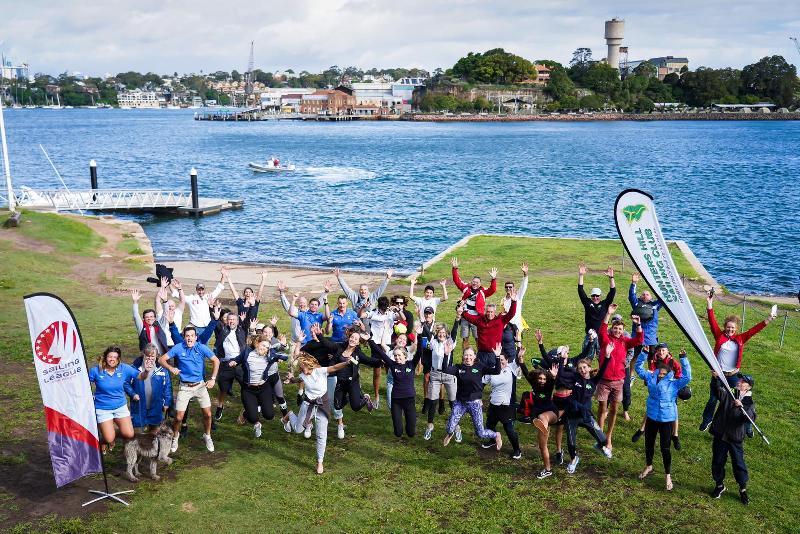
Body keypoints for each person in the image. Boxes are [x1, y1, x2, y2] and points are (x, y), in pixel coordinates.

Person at [699, 292, 774, 432]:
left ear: (736, 329)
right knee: (713, 400)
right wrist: (709, 304)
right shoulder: (719, 335)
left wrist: (769, 319)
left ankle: (747, 426)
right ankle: (707, 420)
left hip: (733, 375)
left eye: (733, 328)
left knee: (740, 401)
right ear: (725, 327)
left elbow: (754, 330)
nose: (730, 329)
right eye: (728, 327)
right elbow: (712, 321)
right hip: (718, 375)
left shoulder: (740, 339)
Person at [281, 347, 351, 474]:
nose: (303, 371)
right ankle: (289, 415)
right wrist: (292, 380)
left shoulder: (319, 371)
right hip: (308, 403)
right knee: (298, 429)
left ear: (310, 365)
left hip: (322, 404)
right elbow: (300, 380)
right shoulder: (303, 374)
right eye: (301, 369)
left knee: (321, 434)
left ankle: (320, 462)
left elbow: (334, 368)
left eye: (305, 368)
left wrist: (346, 363)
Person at [335, 267, 393, 408]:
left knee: (375, 358)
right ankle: (355, 383)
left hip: (370, 333)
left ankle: (387, 379)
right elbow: (346, 289)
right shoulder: (355, 298)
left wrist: (387, 278)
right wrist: (339, 278)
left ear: (368, 292)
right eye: (361, 290)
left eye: (365, 291)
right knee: (355, 358)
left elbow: (380, 289)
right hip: (358, 333)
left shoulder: (373, 298)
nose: (363, 292)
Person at [635, 346, 691, 491]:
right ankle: (649, 466)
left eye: (664, 373)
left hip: (666, 420)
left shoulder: (674, 383)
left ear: (669, 374)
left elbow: (687, 377)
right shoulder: (651, 376)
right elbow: (638, 368)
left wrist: (684, 360)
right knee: (649, 444)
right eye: (660, 372)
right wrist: (643, 353)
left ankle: (668, 475)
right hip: (652, 417)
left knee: (665, 448)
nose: (661, 375)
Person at [159, 325, 220, 453]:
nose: (190, 338)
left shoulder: (201, 347)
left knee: (208, 414)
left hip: (200, 386)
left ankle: (207, 436)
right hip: (185, 387)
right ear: (184, 337)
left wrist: (213, 378)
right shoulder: (178, 347)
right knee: (179, 418)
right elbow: (161, 359)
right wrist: (171, 368)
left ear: (196, 337)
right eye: (187, 336)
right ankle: (175, 437)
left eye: (192, 336)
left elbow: (216, 360)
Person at [597, 303, 643, 451]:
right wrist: (608, 314)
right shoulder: (605, 339)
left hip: (618, 381)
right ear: (612, 329)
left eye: (620, 329)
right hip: (604, 381)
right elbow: (602, 330)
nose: (617, 331)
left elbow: (638, 341)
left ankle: (608, 437)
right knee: (602, 408)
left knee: (614, 410)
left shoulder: (625, 342)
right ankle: (600, 436)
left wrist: (638, 325)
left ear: (623, 331)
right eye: (615, 328)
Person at [441, 345, 502, 450]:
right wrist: (446, 355)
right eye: (466, 355)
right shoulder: (458, 368)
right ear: (463, 356)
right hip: (460, 403)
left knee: (481, 433)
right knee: (450, 427)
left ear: (474, 356)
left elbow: (497, 371)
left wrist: (497, 357)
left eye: (470, 355)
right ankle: (450, 434)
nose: (468, 357)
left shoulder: (479, 367)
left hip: (475, 403)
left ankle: (496, 435)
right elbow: (445, 370)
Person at [563, 346, 614, 474]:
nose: (582, 370)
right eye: (580, 368)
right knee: (571, 442)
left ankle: (598, 446)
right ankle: (574, 459)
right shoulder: (575, 378)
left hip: (585, 415)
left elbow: (602, 371)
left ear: (589, 368)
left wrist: (607, 356)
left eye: (585, 367)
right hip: (572, 415)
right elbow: (565, 371)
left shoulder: (593, 381)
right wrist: (563, 360)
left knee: (604, 440)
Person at [89, 346, 150, 451]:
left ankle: (111, 431)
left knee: (129, 434)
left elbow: (141, 377)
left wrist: (147, 371)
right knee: (108, 439)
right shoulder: (95, 371)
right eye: (109, 357)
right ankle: (104, 438)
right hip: (103, 408)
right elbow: (83, 384)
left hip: (120, 407)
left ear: (118, 360)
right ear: (105, 357)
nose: (112, 359)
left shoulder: (124, 368)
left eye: (115, 357)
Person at [709, 374, 756, 505]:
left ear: (748, 387)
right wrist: (715, 379)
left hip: (735, 438)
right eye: (740, 380)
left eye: (744, 381)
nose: (740, 382)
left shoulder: (749, 403)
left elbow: (750, 418)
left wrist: (741, 407)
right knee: (718, 461)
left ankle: (743, 489)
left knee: (738, 464)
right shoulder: (729, 393)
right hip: (720, 435)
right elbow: (717, 391)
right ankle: (719, 486)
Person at [232, 333, 288, 437]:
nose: (265, 349)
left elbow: (285, 356)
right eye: (263, 345)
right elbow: (237, 359)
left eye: (267, 347)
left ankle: (250, 409)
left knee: (269, 415)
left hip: (263, 388)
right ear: (257, 343)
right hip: (248, 389)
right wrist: (233, 362)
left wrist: (279, 357)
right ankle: (250, 416)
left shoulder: (269, 355)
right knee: (252, 418)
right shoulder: (247, 353)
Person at [632, 344, 684, 448]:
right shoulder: (654, 361)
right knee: (651, 409)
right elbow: (651, 372)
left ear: (668, 351)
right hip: (657, 389)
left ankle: (675, 435)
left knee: (674, 410)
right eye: (659, 350)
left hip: (669, 391)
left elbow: (679, 373)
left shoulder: (673, 362)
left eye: (663, 350)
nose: (661, 352)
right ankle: (642, 429)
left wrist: (674, 383)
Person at [372, 335, 423, 438]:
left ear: (405, 356)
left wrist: (420, 335)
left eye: (399, 355)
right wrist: (370, 340)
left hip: (409, 399)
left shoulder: (411, 364)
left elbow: (419, 352)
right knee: (398, 433)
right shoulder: (393, 364)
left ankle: (409, 425)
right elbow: (380, 353)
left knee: (411, 433)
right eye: (395, 356)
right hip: (396, 400)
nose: (397, 358)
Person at [517, 350, 558, 476]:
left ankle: (544, 428)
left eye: (544, 379)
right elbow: (525, 371)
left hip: (551, 413)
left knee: (541, 417)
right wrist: (521, 359)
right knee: (542, 446)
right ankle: (547, 469)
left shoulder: (548, 386)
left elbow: (552, 381)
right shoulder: (534, 385)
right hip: (539, 418)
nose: (542, 381)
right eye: (540, 378)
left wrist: (553, 376)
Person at [481, 349, 524, 460]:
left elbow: (518, 362)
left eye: (502, 360)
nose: (500, 362)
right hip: (493, 404)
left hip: (506, 405)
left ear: (507, 360)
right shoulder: (491, 371)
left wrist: (519, 354)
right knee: (489, 425)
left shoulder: (511, 368)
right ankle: (492, 440)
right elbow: (481, 384)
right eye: (498, 360)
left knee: (509, 429)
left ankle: (517, 450)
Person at [422, 320, 460, 440]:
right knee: (433, 401)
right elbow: (428, 333)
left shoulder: (450, 342)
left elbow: (454, 332)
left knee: (453, 402)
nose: (442, 334)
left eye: (444, 333)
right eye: (439, 332)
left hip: (449, 375)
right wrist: (422, 321)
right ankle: (429, 426)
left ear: (447, 334)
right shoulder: (433, 342)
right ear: (437, 333)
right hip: (436, 374)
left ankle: (457, 427)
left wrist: (457, 319)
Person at [458, 291, 517, 367]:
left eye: (491, 312)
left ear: (494, 311)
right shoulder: (479, 320)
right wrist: (461, 307)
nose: (489, 314)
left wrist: (514, 302)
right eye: (488, 312)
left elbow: (511, 314)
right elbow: (467, 316)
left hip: (494, 353)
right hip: (481, 353)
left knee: (494, 374)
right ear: (485, 311)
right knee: (481, 374)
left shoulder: (501, 320)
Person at [450, 257, 497, 351]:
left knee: (478, 338)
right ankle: (466, 356)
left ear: (480, 284)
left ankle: (479, 356)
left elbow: (493, 289)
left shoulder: (483, 292)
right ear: (471, 282)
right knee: (465, 338)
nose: (475, 283)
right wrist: (455, 269)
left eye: (477, 282)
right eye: (473, 282)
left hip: (477, 318)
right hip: (465, 317)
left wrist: (493, 279)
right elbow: (457, 280)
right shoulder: (466, 288)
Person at [125, 343, 172, 434]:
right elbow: (126, 384)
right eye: (147, 356)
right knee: (137, 434)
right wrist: (132, 394)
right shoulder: (134, 368)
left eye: (152, 356)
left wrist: (166, 402)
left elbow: (167, 387)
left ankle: (151, 447)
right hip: (139, 406)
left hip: (156, 406)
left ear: (157, 356)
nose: (150, 359)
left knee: (154, 434)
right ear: (143, 355)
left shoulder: (162, 369)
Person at [212, 311, 248, 422]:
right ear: (227, 320)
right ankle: (220, 406)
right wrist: (214, 315)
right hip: (225, 362)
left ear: (237, 321)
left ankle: (247, 408)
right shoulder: (222, 330)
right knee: (223, 388)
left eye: (234, 319)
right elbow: (214, 324)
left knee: (246, 387)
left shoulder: (242, 330)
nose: (231, 321)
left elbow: (250, 315)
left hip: (239, 362)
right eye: (229, 319)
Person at [577, 263, 616, 357]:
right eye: (593, 296)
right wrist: (581, 275)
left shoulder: (604, 304)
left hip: (602, 336)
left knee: (602, 357)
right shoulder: (587, 303)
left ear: (600, 296)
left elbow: (612, 291)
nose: (595, 297)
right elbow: (580, 290)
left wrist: (611, 278)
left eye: (597, 296)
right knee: (586, 357)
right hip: (590, 335)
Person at [183, 268, 226, 340]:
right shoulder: (191, 298)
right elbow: (180, 296)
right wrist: (177, 288)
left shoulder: (208, 297)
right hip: (195, 326)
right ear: (196, 290)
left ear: (204, 290)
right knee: (193, 344)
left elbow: (219, 289)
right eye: (199, 290)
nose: (200, 291)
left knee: (205, 346)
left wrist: (223, 276)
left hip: (206, 326)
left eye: (202, 289)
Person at [500, 262, 529, 361]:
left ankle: (520, 366)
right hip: (507, 328)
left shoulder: (518, 297)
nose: (508, 288)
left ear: (513, 288)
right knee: (508, 347)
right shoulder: (503, 300)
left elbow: (523, 286)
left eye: (510, 287)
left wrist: (525, 274)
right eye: (507, 287)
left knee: (519, 346)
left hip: (517, 327)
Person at [131, 289, 168, 354]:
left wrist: (165, 301)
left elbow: (165, 313)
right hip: (148, 357)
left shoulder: (160, 325)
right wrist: (135, 302)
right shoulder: (141, 327)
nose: (149, 318)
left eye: (151, 316)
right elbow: (136, 315)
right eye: (147, 317)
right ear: (144, 319)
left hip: (161, 356)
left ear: (155, 317)